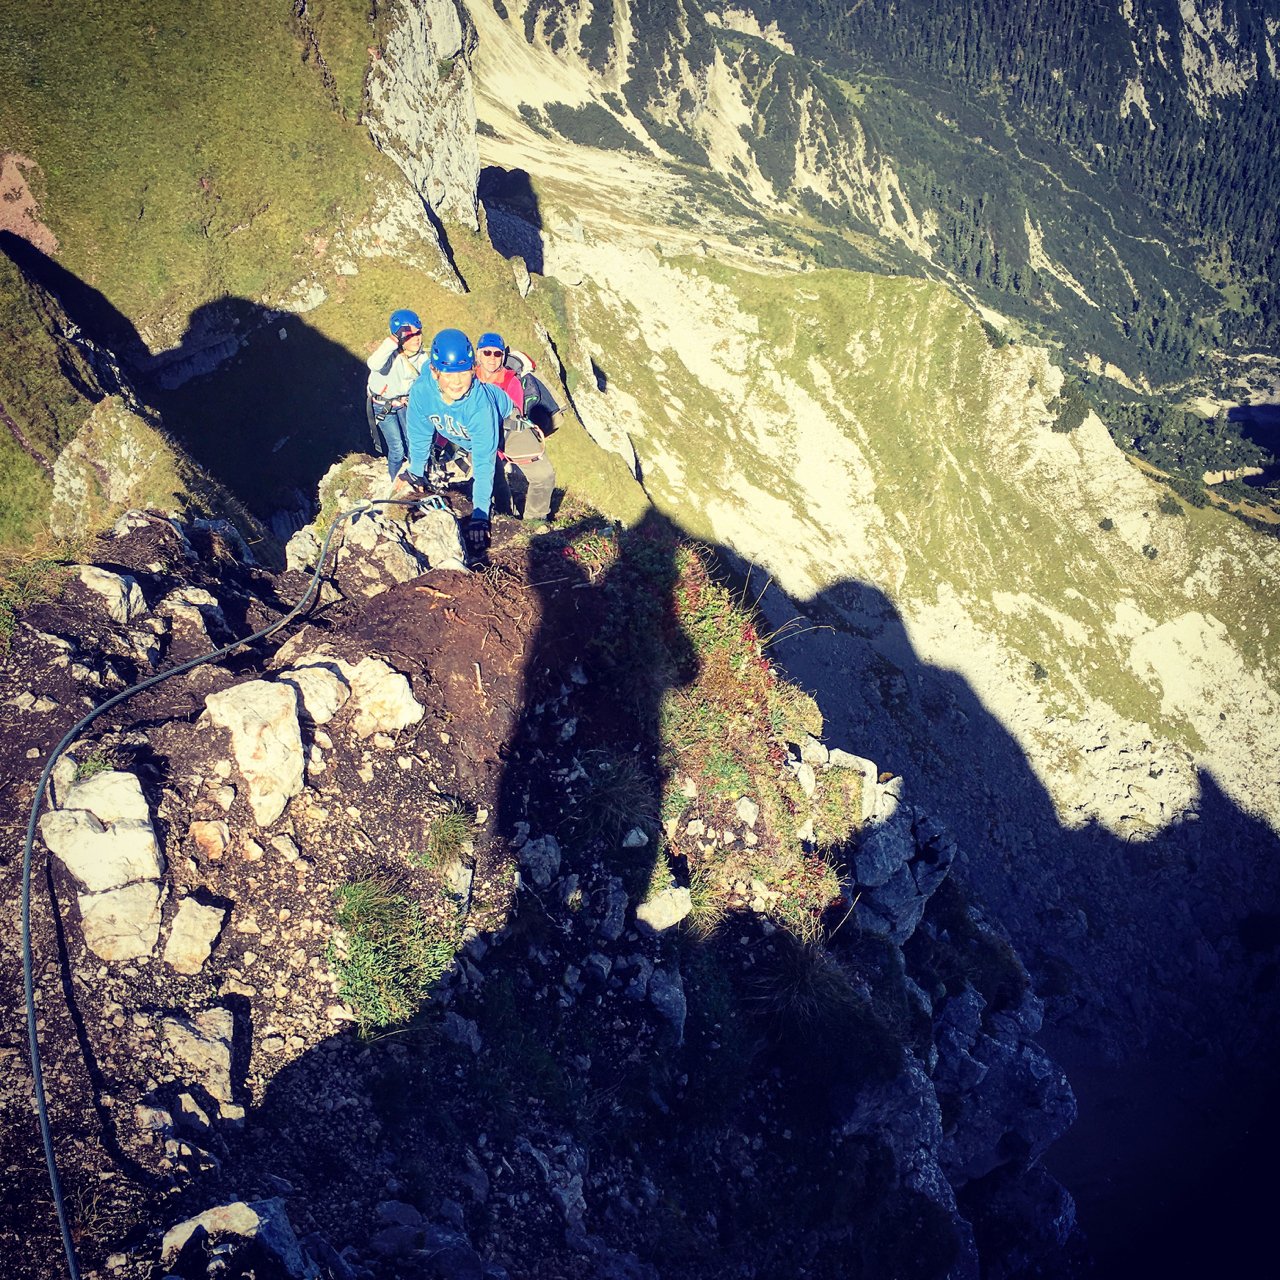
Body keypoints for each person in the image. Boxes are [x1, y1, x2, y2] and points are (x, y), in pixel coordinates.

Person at [405, 328, 513, 558]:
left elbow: (483, 463)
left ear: (474, 370)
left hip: (503, 419)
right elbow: (420, 434)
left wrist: (480, 516)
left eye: (464, 372)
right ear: (435, 372)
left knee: (494, 468)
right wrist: (415, 473)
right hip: (461, 432)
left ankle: (505, 511)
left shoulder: (480, 406)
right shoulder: (421, 393)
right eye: (449, 374)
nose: (457, 382)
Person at [474, 332, 557, 522]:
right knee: (493, 476)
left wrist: (501, 454)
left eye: (497, 354)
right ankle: (505, 516)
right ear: (478, 354)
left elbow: (514, 416)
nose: (492, 358)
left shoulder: (511, 382)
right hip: (479, 436)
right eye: (487, 353)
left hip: (507, 433)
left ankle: (534, 519)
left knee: (544, 474)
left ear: (503, 357)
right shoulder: (468, 379)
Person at [365, 309, 425, 481]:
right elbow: (373, 364)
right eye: (409, 335)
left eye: (418, 333)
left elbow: (428, 373)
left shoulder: (420, 357)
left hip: (404, 403)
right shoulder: (389, 356)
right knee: (397, 448)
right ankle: (394, 482)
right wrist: (392, 340)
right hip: (383, 405)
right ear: (399, 337)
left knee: (412, 442)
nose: (416, 338)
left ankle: (415, 478)